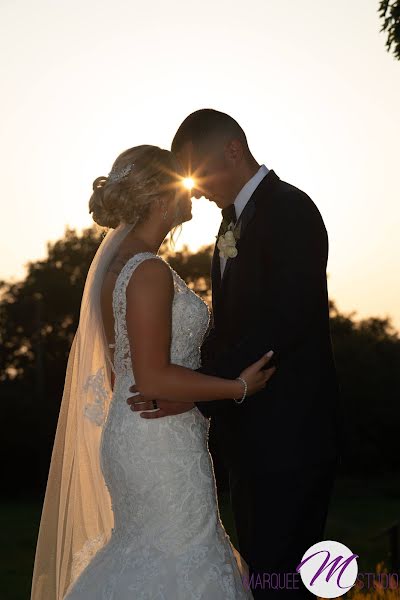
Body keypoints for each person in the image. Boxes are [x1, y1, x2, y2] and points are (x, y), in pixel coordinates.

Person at [30, 143, 276, 600]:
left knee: (154, 554)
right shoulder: (147, 271)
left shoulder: (121, 264)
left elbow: (120, 375)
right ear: (162, 196)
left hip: (143, 429)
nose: (194, 189)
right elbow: (152, 379)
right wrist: (239, 386)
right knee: (181, 556)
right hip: (158, 441)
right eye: (183, 181)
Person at [128, 111, 344, 599]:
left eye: (199, 174)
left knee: (282, 581)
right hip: (251, 436)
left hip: (291, 435)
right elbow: (230, 328)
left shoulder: (289, 209)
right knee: (263, 577)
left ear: (232, 150)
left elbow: (283, 323)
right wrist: (199, 384)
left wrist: (201, 393)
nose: (196, 190)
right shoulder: (232, 222)